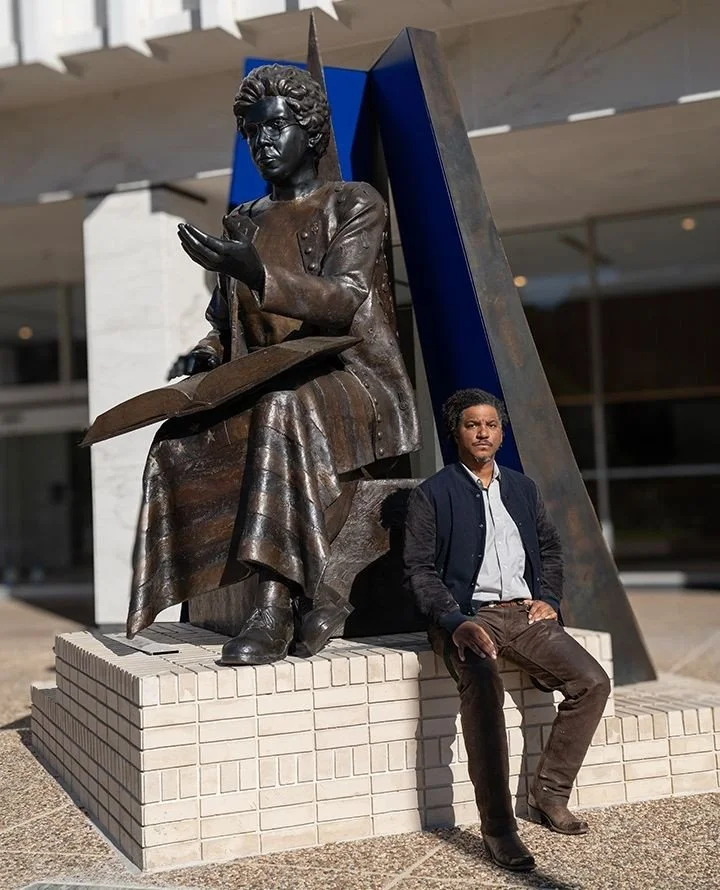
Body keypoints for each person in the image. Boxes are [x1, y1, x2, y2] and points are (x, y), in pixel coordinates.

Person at [127, 64, 420, 663]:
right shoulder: (244, 222)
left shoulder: (352, 203)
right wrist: (204, 358)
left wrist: (255, 270)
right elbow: (223, 321)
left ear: (311, 133)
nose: (264, 143)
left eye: (278, 128)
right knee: (175, 442)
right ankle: (192, 598)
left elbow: (344, 297)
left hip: (347, 380)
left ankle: (274, 606)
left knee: (281, 410)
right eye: (255, 134)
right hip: (263, 380)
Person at [403, 388, 610, 873]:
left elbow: (551, 550)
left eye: (492, 425)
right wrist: (454, 621)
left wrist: (550, 600)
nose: (483, 432)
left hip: (523, 614)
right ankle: (498, 827)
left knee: (592, 682)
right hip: (465, 617)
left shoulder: (523, 488)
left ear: (501, 432)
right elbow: (418, 570)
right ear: (456, 432)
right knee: (485, 696)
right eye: (473, 424)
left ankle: (549, 794)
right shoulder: (433, 494)